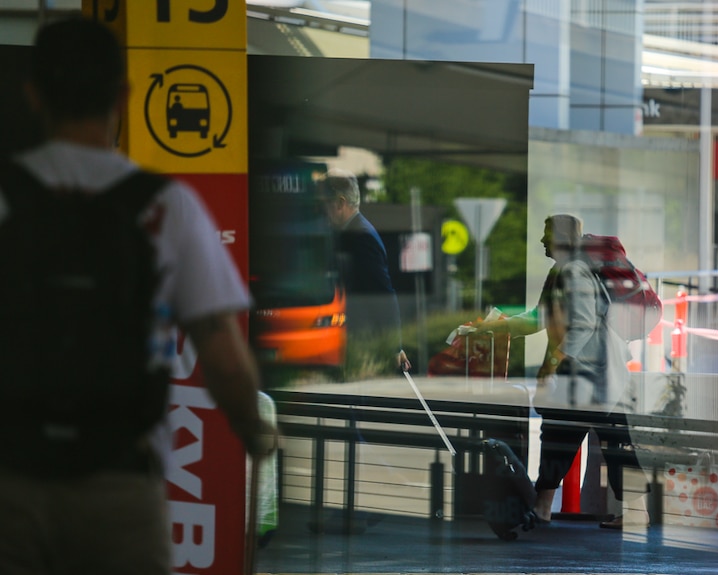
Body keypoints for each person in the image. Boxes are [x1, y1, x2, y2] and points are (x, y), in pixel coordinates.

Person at [0, 18, 276, 574]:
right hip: (120, 487)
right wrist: (254, 431)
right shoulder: (167, 206)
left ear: (33, 95)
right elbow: (221, 353)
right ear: (123, 96)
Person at [482, 214, 646, 528]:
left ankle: (633, 512)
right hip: (588, 377)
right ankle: (544, 507)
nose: (542, 241)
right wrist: (503, 327)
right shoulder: (562, 269)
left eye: (547, 234)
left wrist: (552, 363)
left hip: (594, 376)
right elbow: (539, 317)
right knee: (566, 437)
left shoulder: (574, 270)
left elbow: (582, 325)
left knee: (598, 442)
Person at [318, 169, 411, 372]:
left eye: (324, 203)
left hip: (361, 343)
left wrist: (394, 347)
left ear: (340, 203)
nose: (321, 211)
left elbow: (382, 294)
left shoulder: (361, 237)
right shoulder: (352, 233)